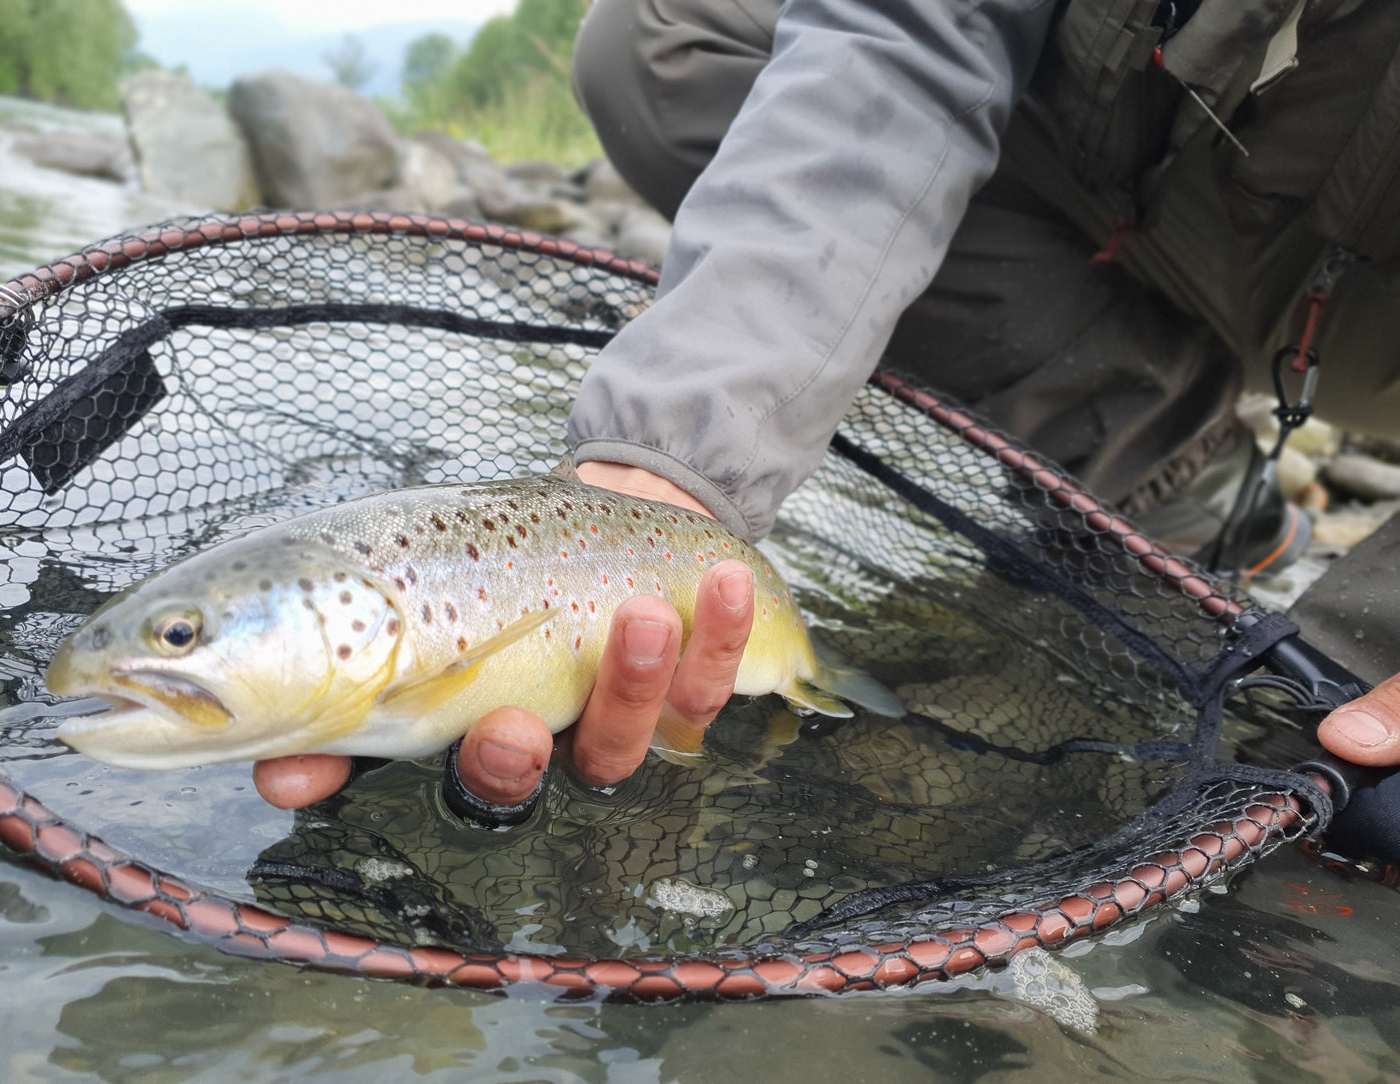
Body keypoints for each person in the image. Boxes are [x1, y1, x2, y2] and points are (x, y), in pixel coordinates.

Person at [256, 0, 1400, 814]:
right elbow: (896, 43)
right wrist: (671, 462)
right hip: (1140, 192)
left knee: (1348, 768)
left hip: (1373, 318)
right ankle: (1176, 475)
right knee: (665, 41)